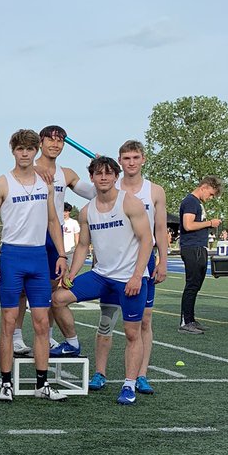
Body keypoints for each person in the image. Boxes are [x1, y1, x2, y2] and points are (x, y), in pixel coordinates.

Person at [52, 157, 153, 405]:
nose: (104, 178)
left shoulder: (130, 202)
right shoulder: (87, 211)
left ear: (116, 177)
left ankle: (129, 385)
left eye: (108, 173)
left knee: (132, 333)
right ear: (92, 177)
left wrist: (137, 276)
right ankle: (72, 343)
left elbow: (147, 241)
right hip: (102, 276)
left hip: (129, 278)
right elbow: (83, 245)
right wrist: (72, 274)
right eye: (98, 174)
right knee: (58, 298)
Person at [0, 129, 69, 402]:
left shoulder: (46, 183)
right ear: (13, 151)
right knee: (8, 323)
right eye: (20, 149)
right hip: (12, 257)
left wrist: (62, 255)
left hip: (38, 258)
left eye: (29, 149)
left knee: (42, 322)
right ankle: (6, 383)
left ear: (35, 151)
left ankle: (41, 384)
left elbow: (54, 222)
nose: (25, 153)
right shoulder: (1, 183)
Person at [87, 141, 168, 393]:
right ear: (119, 162)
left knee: (144, 320)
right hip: (110, 266)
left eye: (135, 157)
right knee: (106, 319)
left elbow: (160, 229)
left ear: (143, 159)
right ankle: (99, 372)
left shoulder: (155, 191)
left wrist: (163, 260)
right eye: (126, 158)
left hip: (142, 265)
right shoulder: (108, 182)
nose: (131, 162)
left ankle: (140, 375)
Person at [13, 125, 94, 358]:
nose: (55, 144)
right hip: (29, 233)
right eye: (50, 139)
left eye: (60, 141)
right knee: (21, 291)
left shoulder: (66, 173)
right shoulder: (28, 167)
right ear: (41, 141)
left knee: (49, 290)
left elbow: (93, 192)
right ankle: (17, 337)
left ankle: (46, 336)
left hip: (53, 235)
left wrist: (102, 167)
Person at [178, 175, 222, 333]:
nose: (210, 198)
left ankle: (190, 319)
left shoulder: (196, 203)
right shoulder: (190, 201)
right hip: (192, 248)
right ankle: (185, 322)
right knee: (191, 285)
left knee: (196, 285)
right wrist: (210, 223)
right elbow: (188, 225)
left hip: (199, 247)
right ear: (204, 187)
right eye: (210, 194)